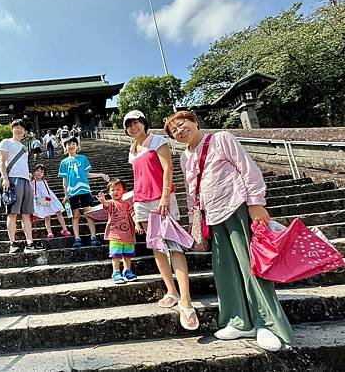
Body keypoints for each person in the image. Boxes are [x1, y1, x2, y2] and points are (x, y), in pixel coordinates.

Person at [164, 110, 295, 351]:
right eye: (173, 131)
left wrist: (256, 203)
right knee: (224, 268)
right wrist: (194, 220)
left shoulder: (221, 138)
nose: (179, 131)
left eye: (181, 124)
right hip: (211, 216)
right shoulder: (184, 157)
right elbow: (191, 190)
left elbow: (248, 168)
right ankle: (238, 320)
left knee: (250, 265)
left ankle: (266, 323)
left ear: (194, 121)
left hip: (236, 205)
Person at [124, 110, 198, 331]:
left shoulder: (157, 140)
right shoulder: (132, 149)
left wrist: (166, 195)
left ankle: (186, 300)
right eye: (129, 125)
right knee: (157, 247)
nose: (133, 127)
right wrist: (136, 211)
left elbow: (168, 168)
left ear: (144, 123)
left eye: (136, 122)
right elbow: (137, 178)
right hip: (142, 201)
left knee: (174, 248)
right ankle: (171, 291)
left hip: (161, 198)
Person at [0, 119, 46, 254]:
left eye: (22, 128)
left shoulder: (25, 148)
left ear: (25, 132)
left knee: (26, 214)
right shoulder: (6, 142)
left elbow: (23, 165)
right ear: (12, 129)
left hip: (26, 181)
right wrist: (5, 179)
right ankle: (12, 243)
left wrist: (30, 176)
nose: (19, 130)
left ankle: (29, 243)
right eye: (16, 127)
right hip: (13, 180)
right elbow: (1, 162)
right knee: (13, 213)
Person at [58, 137, 109, 248]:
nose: (71, 146)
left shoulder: (83, 158)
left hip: (85, 190)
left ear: (77, 146)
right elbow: (64, 180)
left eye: (73, 144)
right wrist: (66, 194)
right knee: (75, 215)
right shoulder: (64, 162)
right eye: (69, 144)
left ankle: (93, 237)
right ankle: (77, 238)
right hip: (72, 192)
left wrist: (100, 174)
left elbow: (87, 174)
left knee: (88, 213)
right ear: (65, 147)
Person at [96, 178, 138, 284]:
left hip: (128, 234)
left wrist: (137, 224)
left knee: (128, 254)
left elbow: (133, 214)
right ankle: (116, 272)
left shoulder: (128, 204)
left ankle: (127, 271)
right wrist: (103, 201)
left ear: (124, 191)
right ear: (109, 192)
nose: (115, 192)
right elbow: (106, 206)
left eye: (118, 189)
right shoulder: (111, 203)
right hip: (115, 234)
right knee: (116, 255)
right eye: (112, 190)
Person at [32, 164, 72, 239]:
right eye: (37, 171)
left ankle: (65, 229)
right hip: (40, 199)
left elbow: (47, 190)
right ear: (34, 172)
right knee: (47, 216)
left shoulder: (45, 181)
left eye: (41, 172)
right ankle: (49, 232)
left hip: (49, 198)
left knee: (58, 212)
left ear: (44, 174)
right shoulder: (32, 182)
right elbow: (32, 193)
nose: (39, 173)